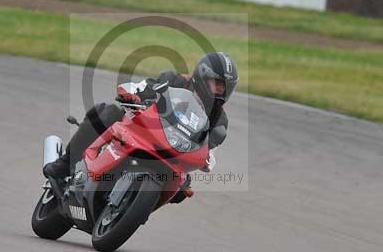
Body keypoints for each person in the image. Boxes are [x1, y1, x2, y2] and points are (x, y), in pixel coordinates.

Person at [43, 52, 238, 202]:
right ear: (202, 76)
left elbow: (206, 149)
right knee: (107, 113)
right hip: (142, 128)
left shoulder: (220, 121)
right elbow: (142, 87)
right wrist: (134, 95)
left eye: (225, 87)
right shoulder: (175, 80)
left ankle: (133, 204)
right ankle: (65, 164)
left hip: (173, 153)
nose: (220, 91)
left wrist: (205, 160)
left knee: (181, 189)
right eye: (217, 84)